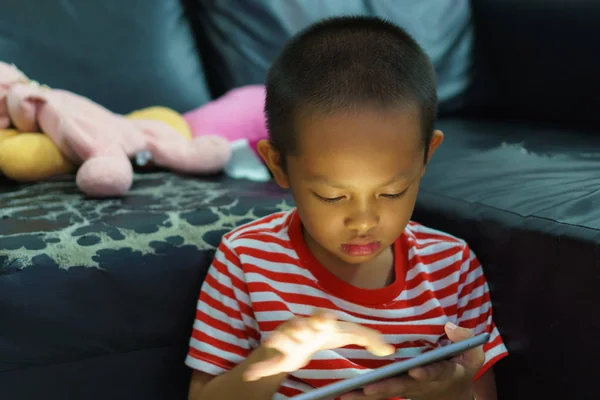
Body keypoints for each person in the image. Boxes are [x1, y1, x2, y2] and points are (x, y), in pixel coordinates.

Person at [185, 15, 508, 400]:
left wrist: (451, 393)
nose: (364, 221)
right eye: (332, 196)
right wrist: (273, 359)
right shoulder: (246, 260)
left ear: (427, 156)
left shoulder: (452, 266)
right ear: (277, 165)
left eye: (392, 192)